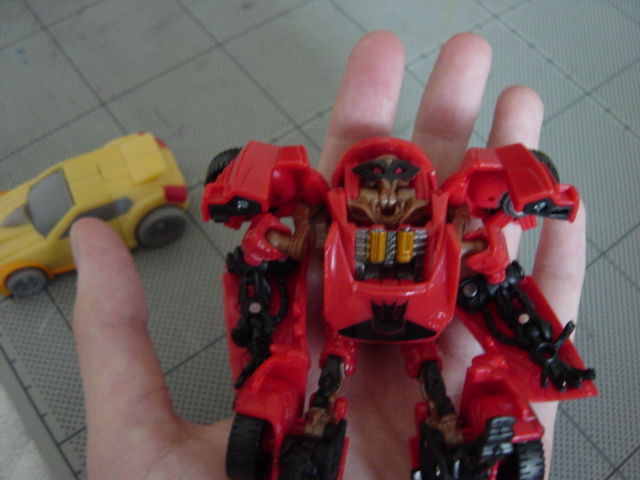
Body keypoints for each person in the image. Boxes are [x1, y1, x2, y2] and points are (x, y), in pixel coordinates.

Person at [70, 31, 586, 480]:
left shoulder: (448, 218)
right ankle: (311, 420)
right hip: (346, 326)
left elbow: (487, 241)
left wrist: (495, 236)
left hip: (422, 328)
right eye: (375, 189)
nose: (388, 200)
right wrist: (263, 230)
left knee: (448, 383)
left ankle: (462, 428)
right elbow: (276, 227)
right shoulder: (322, 217)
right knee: (315, 379)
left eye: (400, 191)